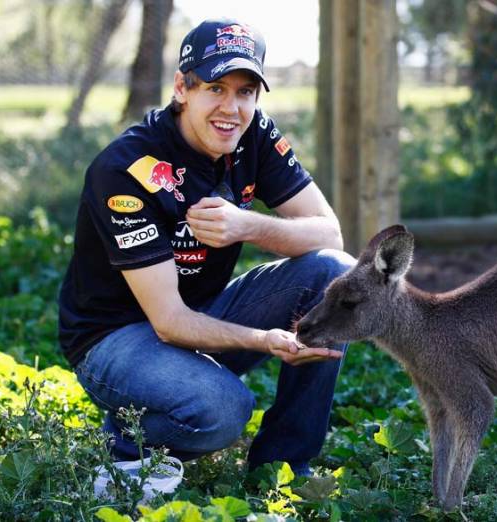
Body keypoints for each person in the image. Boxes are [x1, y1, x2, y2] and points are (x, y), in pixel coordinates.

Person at [57, 18, 354, 475]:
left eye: (245, 92)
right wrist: (266, 341)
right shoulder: (124, 170)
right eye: (215, 88)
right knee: (223, 411)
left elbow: (329, 234)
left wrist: (246, 226)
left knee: (334, 272)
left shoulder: (253, 134)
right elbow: (170, 321)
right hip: (117, 337)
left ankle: (286, 465)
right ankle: (126, 439)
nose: (231, 108)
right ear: (182, 88)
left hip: (206, 309)